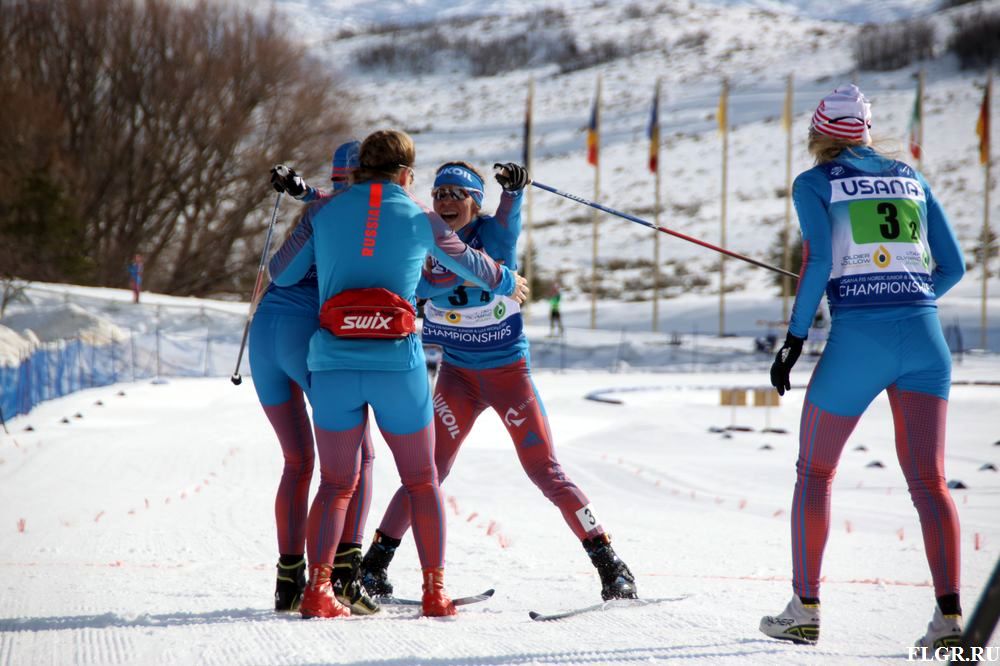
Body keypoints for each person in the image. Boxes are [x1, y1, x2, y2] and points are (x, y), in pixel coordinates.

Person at [267, 129, 529, 619]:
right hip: (396, 364)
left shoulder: (324, 211)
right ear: (407, 173)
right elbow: (474, 266)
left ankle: (318, 589)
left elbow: (281, 273)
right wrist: (510, 281)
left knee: (335, 483)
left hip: (334, 363)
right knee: (422, 480)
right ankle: (435, 593)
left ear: (362, 167)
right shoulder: (421, 217)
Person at [359, 161, 637, 603]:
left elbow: (510, 216)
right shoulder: (425, 236)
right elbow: (421, 287)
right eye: (440, 192)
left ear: (476, 202)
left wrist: (513, 189)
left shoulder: (494, 235)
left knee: (545, 471)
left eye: (457, 193)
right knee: (427, 472)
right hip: (458, 378)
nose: (446, 201)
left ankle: (611, 564)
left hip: (508, 375)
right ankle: (373, 566)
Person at [759, 85, 966, 649]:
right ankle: (950, 621)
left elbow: (820, 262)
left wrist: (794, 341)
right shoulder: (911, 177)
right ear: (868, 132)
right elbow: (955, 265)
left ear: (818, 135)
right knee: (929, 483)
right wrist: (910, 295)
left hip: (858, 344)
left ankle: (804, 609)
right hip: (925, 341)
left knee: (815, 473)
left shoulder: (814, 183)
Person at [253, 141, 378, 615]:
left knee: (298, 461)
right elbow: (286, 275)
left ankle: (289, 580)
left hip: (265, 334)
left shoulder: (323, 207)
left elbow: (279, 272)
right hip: (303, 334)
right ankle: (345, 573)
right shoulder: (362, 212)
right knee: (359, 454)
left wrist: (307, 194)